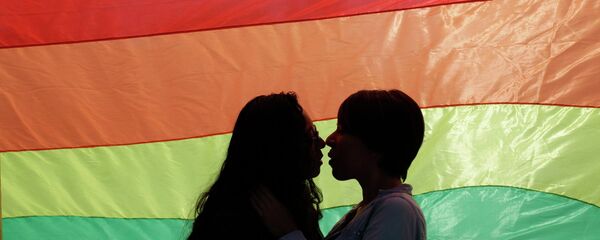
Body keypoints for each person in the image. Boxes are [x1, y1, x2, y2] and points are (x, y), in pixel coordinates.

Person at [252, 89, 427, 240]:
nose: (329, 140)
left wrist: (288, 233)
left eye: (342, 130)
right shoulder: (365, 209)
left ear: (376, 145)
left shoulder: (396, 210)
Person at [188, 92, 326, 240]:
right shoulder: (234, 222)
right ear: (283, 149)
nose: (322, 143)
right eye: (311, 136)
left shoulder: (289, 206)